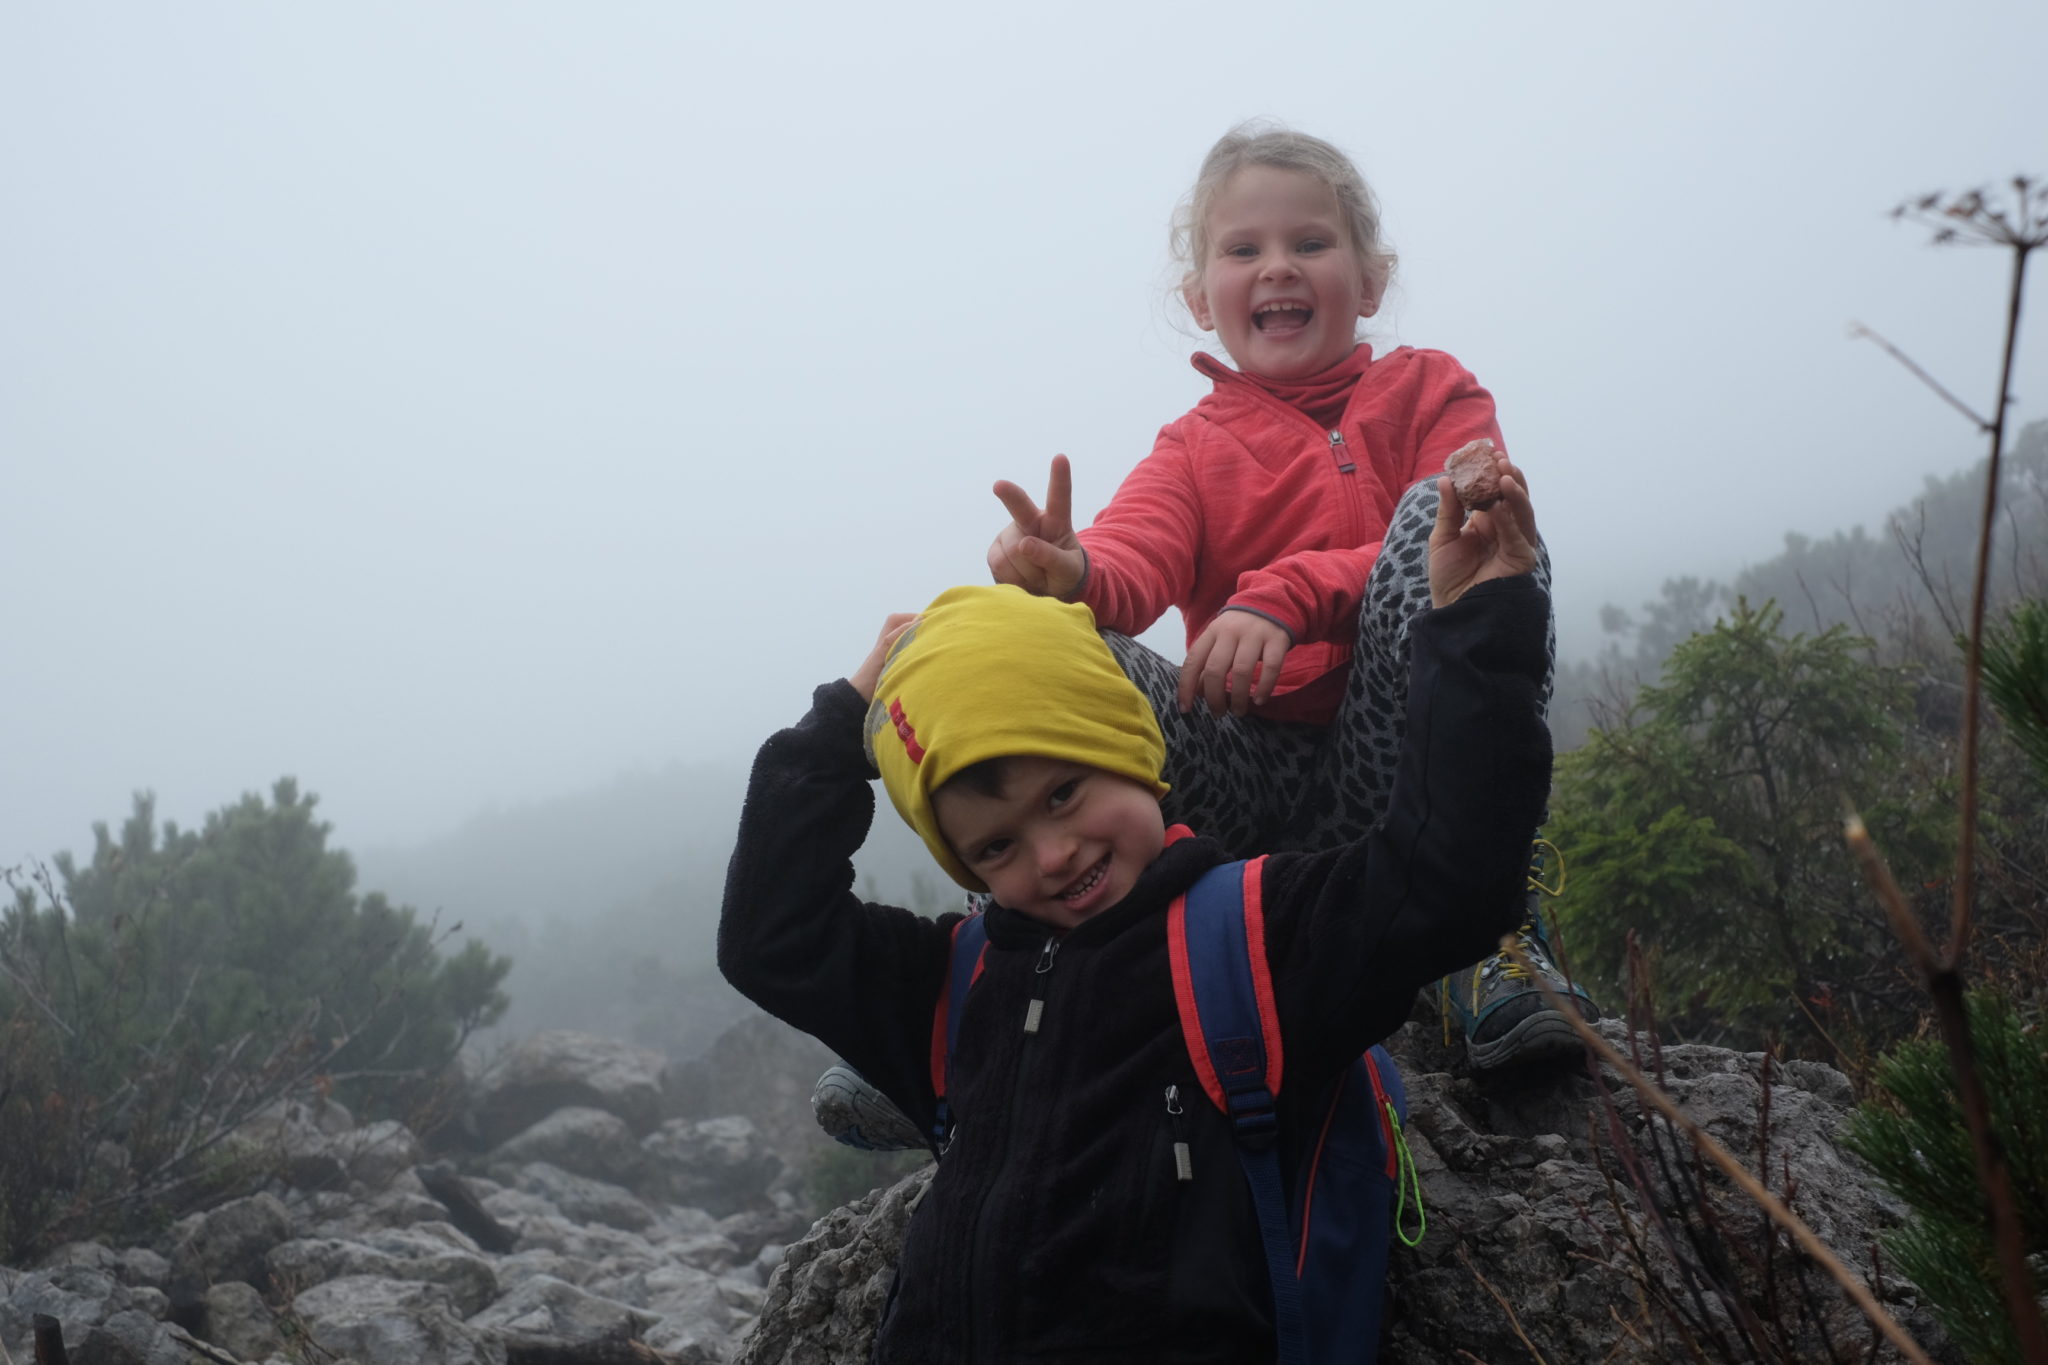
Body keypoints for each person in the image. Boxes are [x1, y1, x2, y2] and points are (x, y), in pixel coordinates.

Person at [719, 466, 1552, 1362]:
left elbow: (1450, 876)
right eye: (993, 848)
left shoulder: (1256, 942)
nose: (1051, 853)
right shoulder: (955, 987)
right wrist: (841, 721)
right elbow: (771, 937)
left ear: (1134, 746)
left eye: (1066, 791)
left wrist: (1475, 624)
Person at [983, 122, 1595, 1069]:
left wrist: (1285, 594)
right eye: (1245, 249)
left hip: (1403, 769)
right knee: (1038, 642)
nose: (1279, 267)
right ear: (1199, 297)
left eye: (1310, 243)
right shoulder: (1190, 446)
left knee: (1477, 534)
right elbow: (1136, 552)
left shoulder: (1435, 391)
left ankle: (1487, 942)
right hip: (1238, 771)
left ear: (1371, 278)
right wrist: (1073, 574)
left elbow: (1455, 523)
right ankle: (994, 982)